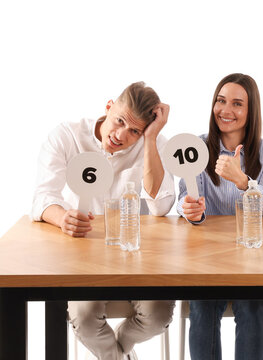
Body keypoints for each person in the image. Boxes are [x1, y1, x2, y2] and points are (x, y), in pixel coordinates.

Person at [31, 82, 176, 360]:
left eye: (135, 130)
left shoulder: (154, 145)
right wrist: (63, 219)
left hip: (137, 257)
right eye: (119, 121)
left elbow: (161, 206)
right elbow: (42, 196)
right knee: (85, 318)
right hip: (83, 255)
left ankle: (116, 351)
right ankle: (121, 356)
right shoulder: (67, 136)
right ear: (109, 107)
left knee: (158, 315)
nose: (121, 135)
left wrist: (150, 140)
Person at [176, 73, 263, 360]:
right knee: (203, 304)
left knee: (251, 304)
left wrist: (243, 180)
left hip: (253, 256)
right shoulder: (196, 148)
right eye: (221, 101)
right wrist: (191, 212)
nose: (226, 110)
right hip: (208, 256)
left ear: (251, 111)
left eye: (237, 104)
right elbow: (186, 198)